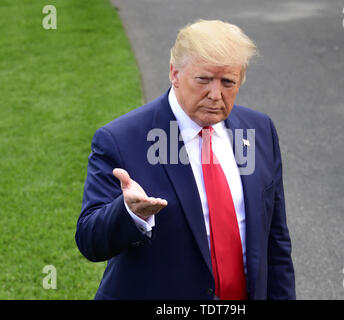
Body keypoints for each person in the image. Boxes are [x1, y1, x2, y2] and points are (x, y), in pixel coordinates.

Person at [75, 19, 295, 300]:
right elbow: (89, 241)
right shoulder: (121, 139)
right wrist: (129, 213)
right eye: (203, 79)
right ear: (174, 73)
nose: (216, 95)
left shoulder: (259, 130)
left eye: (228, 82)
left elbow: (276, 243)